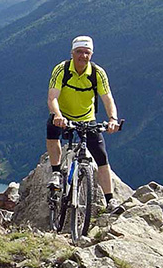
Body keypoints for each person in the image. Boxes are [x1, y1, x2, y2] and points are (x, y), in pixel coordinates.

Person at [46, 35, 121, 207]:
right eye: (79, 52)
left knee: (101, 157)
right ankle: (56, 172)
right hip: (63, 116)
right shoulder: (61, 69)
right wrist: (57, 115)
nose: (83, 56)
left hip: (87, 118)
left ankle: (111, 201)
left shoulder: (97, 73)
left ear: (91, 54)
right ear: (72, 53)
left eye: (87, 52)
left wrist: (112, 119)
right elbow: (52, 98)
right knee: (52, 132)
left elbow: (107, 98)